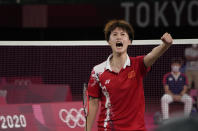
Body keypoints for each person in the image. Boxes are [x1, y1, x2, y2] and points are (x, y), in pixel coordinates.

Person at [86, 19, 173, 131]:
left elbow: (152, 55)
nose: (119, 37)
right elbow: (93, 103)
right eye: (114, 34)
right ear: (109, 41)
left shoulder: (138, 65)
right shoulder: (97, 71)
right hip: (108, 128)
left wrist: (165, 45)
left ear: (129, 41)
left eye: (123, 34)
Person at [184, 44, 198, 108]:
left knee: (196, 87)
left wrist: (191, 58)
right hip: (188, 70)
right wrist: (195, 57)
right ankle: (188, 103)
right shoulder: (187, 49)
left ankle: (196, 104)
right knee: (187, 87)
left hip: (197, 70)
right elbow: (187, 58)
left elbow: (190, 58)